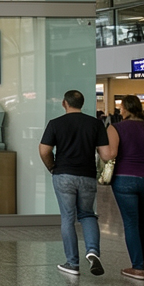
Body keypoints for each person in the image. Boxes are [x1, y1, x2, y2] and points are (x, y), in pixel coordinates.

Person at [99, 95, 144, 281]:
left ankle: (138, 268)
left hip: (125, 178)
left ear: (124, 109)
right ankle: (143, 259)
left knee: (131, 222)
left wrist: (100, 150)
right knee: (143, 219)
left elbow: (110, 154)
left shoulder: (116, 127)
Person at [39, 90, 107, 276]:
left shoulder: (56, 123)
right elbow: (106, 154)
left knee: (68, 218)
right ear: (82, 103)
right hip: (87, 175)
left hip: (63, 174)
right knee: (87, 214)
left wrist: (52, 167)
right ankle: (93, 251)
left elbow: (44, 150)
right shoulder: (95, 124)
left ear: (64, 103)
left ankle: (72, 263)